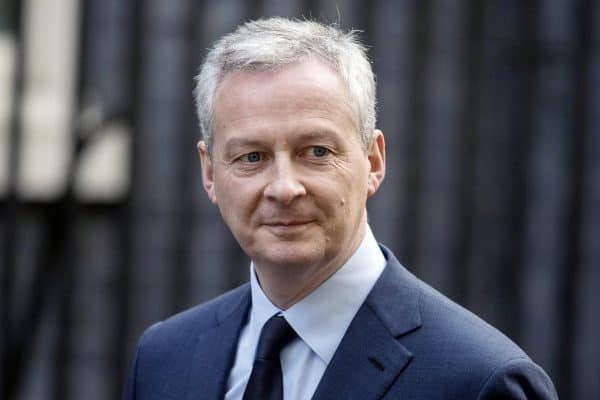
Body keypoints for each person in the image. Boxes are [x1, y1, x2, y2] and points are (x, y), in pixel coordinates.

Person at [123, 17, 558, 400]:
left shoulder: (481, 382)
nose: (284, 188)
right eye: (251, 157)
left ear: (373, 161)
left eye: (315, 151)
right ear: (210, 173)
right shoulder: (163, 361)